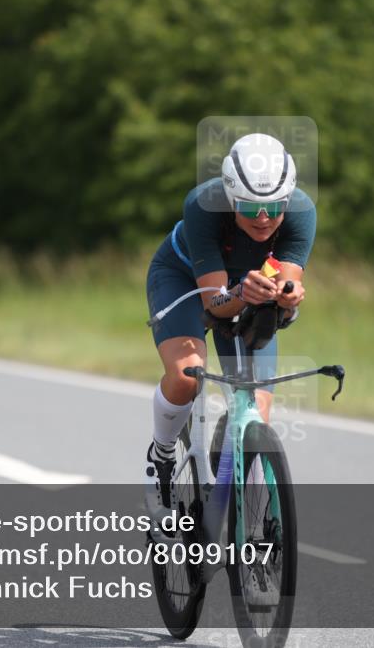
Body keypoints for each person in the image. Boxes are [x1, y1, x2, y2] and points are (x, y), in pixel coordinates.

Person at [144, 133, 316, 507]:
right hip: (184, 279)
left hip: (246, 289)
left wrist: (288, 301)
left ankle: (233, 502)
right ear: (231, 198)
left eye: (275, 206)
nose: (264, 218)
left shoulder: (302, 212)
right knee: (186, 375)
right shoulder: (203, 205)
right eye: (251, 209)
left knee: (256, 414)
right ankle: (161, 453)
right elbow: (215, 304)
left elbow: (286, 286)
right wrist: (241, 293)